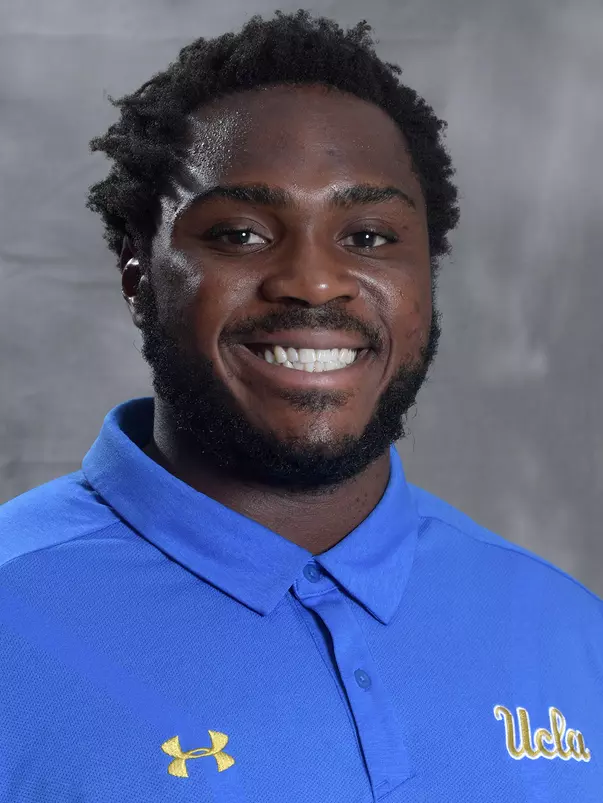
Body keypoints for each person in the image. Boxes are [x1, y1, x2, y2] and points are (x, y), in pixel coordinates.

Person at [0, 10, 600, 803]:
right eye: (242, 234)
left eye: (370, 236)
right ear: (137, 274)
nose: (313, 282)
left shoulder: (569, 631)